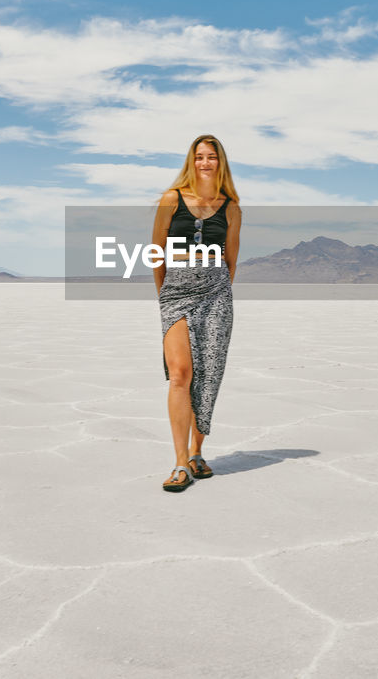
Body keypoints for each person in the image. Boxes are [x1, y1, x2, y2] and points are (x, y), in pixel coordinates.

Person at [152, 134, 241, 492]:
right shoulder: (171, 199)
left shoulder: (230, 207)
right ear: (192, 162)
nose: (205, 163)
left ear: (221, 163)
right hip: (176, 292)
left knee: (209, 373)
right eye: (200, 157)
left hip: (217, 292)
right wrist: (165, 294)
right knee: (180, 374)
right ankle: (178, 464)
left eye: (212, 157)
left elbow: (231, 259)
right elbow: (156, 251)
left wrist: (217, 287)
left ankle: (196, 454)